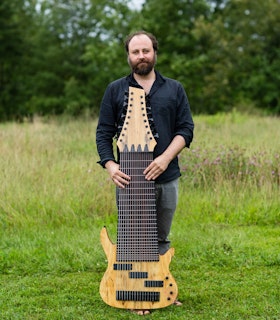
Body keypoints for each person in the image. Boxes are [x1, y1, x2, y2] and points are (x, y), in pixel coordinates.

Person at [96, 30, 194, 315]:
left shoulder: (174, 88)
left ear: (155, 52)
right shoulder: (115, 90)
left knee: (160, 237)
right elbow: (103, 133)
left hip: (166, 176)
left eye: (146, 51)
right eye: (136, 52)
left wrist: (164, 158)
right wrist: (110, 165)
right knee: (132, 238)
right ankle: (134, 292)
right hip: (129, 179)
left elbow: (185, 129)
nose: (141, 56)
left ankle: (160, 288)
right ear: (128, 55)